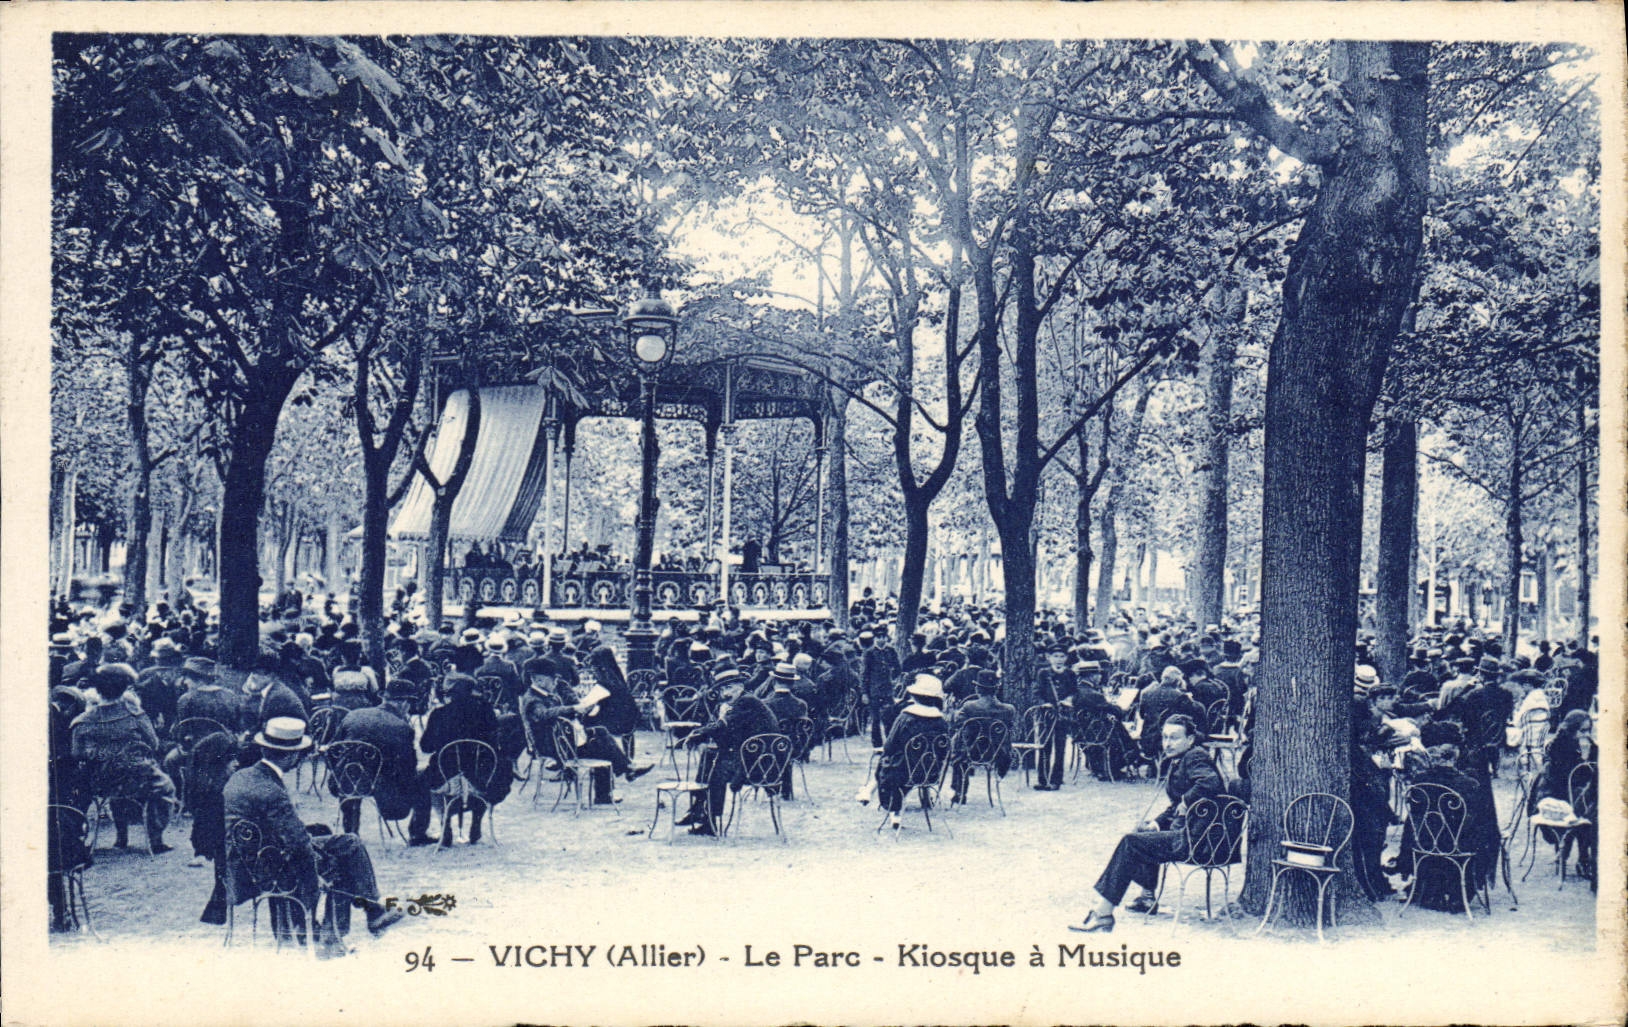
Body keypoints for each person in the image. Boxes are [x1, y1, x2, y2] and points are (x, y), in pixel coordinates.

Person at [222, 718, 405, 947]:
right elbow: (299, 846)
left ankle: (370, 910)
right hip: (271, 868)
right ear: (291, 756)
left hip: (244, 863)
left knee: (342, 841)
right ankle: (333, 937)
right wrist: (316, 877)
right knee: (344, 857)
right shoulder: (272, 791)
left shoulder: (241, 777)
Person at [1070, 715, 1226, 933]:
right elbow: (1176, 806)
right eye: (1164, 737)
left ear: (1190, 739)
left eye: (1174, 738)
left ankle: (1103, 913)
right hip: (1187, 832)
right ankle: (1146, 897)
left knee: (1131, 842)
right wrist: (1157, 822)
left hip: (1196, 839)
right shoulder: (1181, 759)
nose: (1167, 743)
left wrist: (1186, 800)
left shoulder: (1195, 756)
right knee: (1143, 831)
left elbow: (1210, 782)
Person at [71, 663, 177, 853]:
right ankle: (155, 838)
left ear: (97, 688)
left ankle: (121, 838)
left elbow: (77, 753)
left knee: (114, 782)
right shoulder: (135, 715)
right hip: (138, 779)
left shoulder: (84, 721)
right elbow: (154, 744)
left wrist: (100, 755)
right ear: (124, 687)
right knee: (166, 787)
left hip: (100, 782)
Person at [335, 683, 435, 846]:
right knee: (423, 777)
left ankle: (351, 830)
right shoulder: (402, 728)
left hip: (347, 781)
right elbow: (408, 767)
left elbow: (334, 747)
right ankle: (417, 833)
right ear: (404, 703)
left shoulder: (353, 715)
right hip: (382, 787)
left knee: (356, 771)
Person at [679, 693, 779, 836]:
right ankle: (699, 808)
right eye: (723, 688)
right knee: (709, 756)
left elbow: (724, 725)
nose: (726, 692)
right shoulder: (749, 702)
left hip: (760, 768)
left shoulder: (746, 701)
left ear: (740, 686)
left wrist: (699, 733)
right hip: (765, 762)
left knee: (717, 769)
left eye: (730, 687)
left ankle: (710, 821)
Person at [875, 674, 951, 829]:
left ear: (915, 696)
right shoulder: (941, 721)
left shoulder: (905, 717)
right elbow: (944, 750)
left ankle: (894, 810)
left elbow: (889, 746)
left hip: (903, 772)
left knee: (886, 763)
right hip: (931, 772)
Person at [947, 671, 1016, 804]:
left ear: (977, 689)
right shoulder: (1009, 709)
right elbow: (1010, 729)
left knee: (958, 743)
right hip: (997, 754)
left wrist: (953, 714)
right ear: (996, 689)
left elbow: (957, 724)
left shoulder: (969, 707)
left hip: (972, 753)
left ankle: (960, 791)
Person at [1033, 645, 1074, 791]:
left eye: (1062, 656)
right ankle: (1042, 779)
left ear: (1066, 658)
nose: (1059, 660)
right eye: (1055, 656)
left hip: (1063, 715)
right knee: (1045, 746)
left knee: (1060, 747)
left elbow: (1074, 692)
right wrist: (1044, 704)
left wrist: (1068, 700)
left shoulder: (1069, 674)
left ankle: (1056, 779)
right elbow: (1037, 692)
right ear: (1049, 658)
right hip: (1047, 715)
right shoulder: (1043, 673)